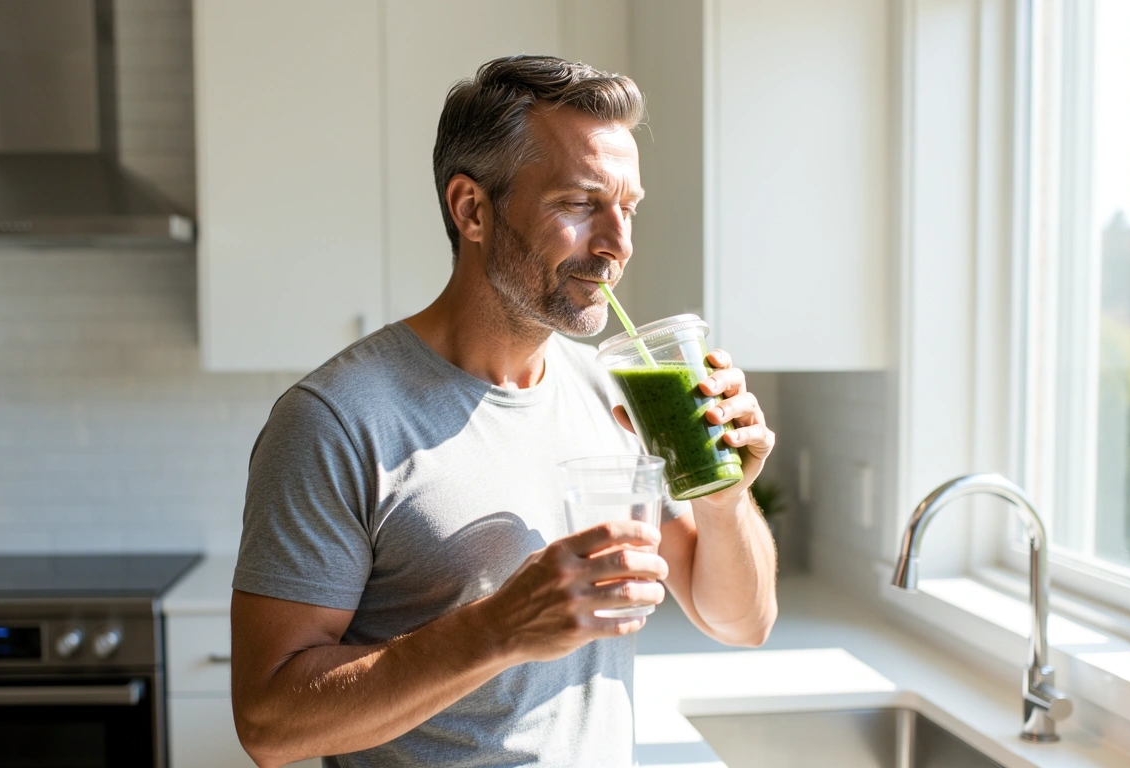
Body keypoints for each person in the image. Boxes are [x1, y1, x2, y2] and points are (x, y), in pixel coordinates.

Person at [229, 55, 777, 768]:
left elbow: (740, 620)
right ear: (472, 209)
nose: (617, 244)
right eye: (580, 205)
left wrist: (726, 500)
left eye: (628, 207)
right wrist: (501, 629)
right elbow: (270, 725)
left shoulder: (614, 393)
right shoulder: (335, 421)